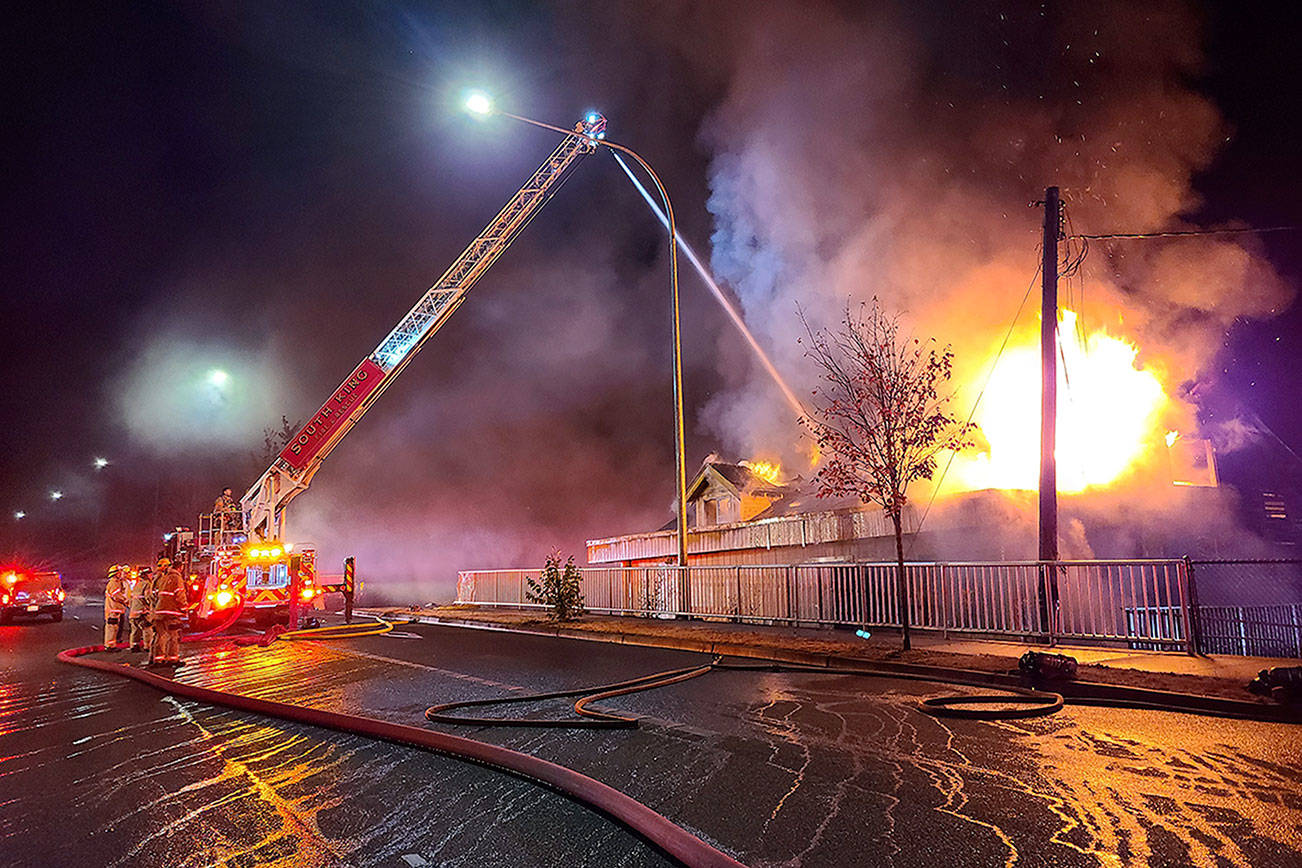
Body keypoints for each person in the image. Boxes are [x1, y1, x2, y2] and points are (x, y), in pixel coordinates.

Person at [150, 557, 188, 668]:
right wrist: (184, 608)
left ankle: (158, 660)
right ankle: (172, 659)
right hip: (171, 612)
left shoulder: (162, 578)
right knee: (173, 636)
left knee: (160, 636)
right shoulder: (177, 578)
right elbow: (180, 595)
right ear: (180, 568)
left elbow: (154, 595)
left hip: (159, 611)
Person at [128, 567, 154, 653]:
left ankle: (134, 646)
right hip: (142, 612)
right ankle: (148, 646)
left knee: (135, 630)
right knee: (147, 629)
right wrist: (152, 605)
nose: (152, 575)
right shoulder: (147, 584)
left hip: (133, 612)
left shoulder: (137, 584)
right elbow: (148, 597)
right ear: (146, 575)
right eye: (150, 574)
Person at [103, 565, 129, 650]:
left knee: (114, 629)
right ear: (116, 573)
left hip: (115, 609)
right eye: (120, 572)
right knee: (112, 628)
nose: (121, 574)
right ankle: (110, 646)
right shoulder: (114, 583)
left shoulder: (117, 582)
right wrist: (125, 600)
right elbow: (116, 595)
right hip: (113, 609)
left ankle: (111, 645)